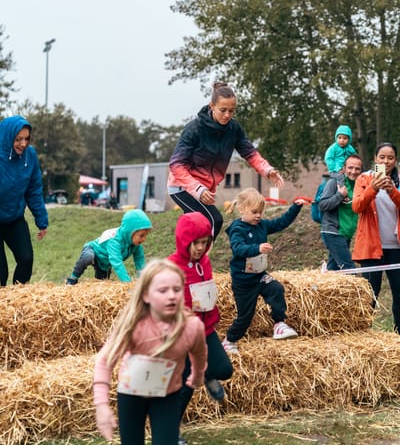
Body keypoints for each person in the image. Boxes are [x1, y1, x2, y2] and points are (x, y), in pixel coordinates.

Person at [93, 258, 207, 445]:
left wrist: (197, 375)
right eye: (163, 291)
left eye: (176, 289)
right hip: (131, 395)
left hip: (167, 396)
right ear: (146, 295)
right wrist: (101, 405)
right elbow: (105, 360)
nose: (171, 296)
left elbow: (199, 354)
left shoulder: (192, 327)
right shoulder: (134, 325)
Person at [168, 81, 285, 240]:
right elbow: (176, 165)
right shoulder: (195, 129)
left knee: (199, 228)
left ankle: (188, 261)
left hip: (206, 190)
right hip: (182, 186)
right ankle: (196, 260)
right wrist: (198, 189)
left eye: (231, 111)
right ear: (212, 106)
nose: (227, 115)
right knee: (214, 220)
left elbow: (249, 152)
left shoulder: (233, 129)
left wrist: (267, 170)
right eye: (223, 110)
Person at [168, 212, 233, 444]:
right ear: (184, 241)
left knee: (225, 369)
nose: (199, 248)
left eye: (204, 243)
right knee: (185, 384)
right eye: (195, 243)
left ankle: (206, 375)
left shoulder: (205, 262)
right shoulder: (171, 266)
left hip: (205, 329)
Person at [222, 188, 307, 353]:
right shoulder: (237, 228)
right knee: (245, 317)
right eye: (254, 212)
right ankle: (229, 340)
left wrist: (295, 208)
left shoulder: (261, 226)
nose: (258, 216)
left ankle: (279, 324)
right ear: (242, 209)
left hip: (259, 276)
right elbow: (238, 248)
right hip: (243, 282)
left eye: (260, 212)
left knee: (275, 288)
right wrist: (258, 248)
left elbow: (280, 223)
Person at [352, 142, 400, 332]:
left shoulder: (398, 181)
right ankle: (364, 334)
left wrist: (392, 191)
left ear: (395, 160)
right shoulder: (364, 178)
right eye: (382, 157)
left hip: (396, 248)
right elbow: (357, 207)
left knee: (399, 294)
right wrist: (372, 188)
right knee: (371, 294)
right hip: (371, 248)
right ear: (375, 159)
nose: (386, 161)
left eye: (390, 158)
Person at [0, 115, 48, 286]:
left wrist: (41, 220)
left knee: (26, 258)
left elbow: (34, 189)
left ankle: (18, 302)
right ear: (7, 137)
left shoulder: (30, 156)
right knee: (1, 273)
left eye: (26, 139)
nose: (23, 143)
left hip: (14, 217)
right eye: (18, 139)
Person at [65, 209, 152, 284]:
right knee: (88, 256)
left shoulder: (136, 245)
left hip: (104, 263)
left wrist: (141, 282)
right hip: (94, 251)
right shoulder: (114, 241)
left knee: (102, 284)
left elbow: (140, 262)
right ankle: (72, 278)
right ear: (130, 232)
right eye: (141, 235)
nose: (144, 239)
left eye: (146, 235)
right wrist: (127, 283)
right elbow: (117, 262)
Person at [318, 155, 363, 270]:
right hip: (334, 232)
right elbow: (322, 206)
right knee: (349, 269)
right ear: (344, 168)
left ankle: (323, 288)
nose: (354, 171)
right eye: (350, 168)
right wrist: (339, 195)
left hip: (346, 234)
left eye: (357, 169)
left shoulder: (359, 186)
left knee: (334, 271)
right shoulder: (334, 183)